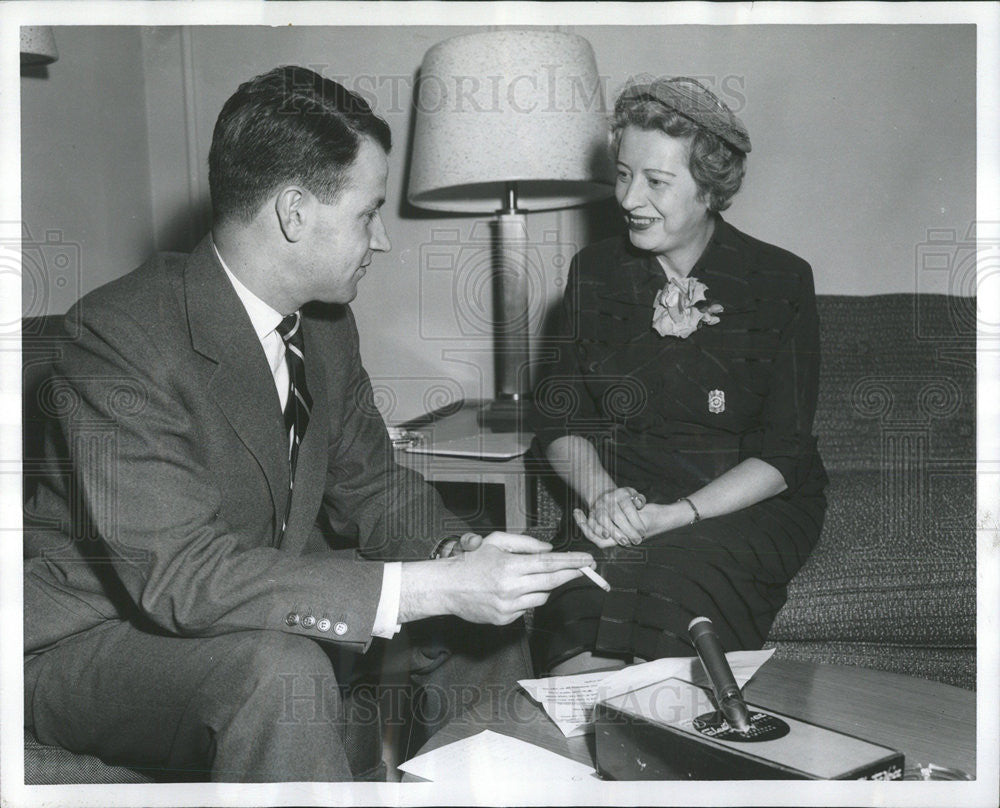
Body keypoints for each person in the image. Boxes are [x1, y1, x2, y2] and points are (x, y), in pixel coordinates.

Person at [22, 66, 595, 782]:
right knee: (274, 671)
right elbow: (180, 577)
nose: (381, 240)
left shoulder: (323, 327)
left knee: (479, 622)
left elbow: (374, 485)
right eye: (368, 213)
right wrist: (434, 586)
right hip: (86, 639)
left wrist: (454, 549)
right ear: (295, 212)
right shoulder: (116, 339)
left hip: (243, 595)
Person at [530, 76, 827, 676]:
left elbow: (783, 455)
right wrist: (603, 495)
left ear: (710, 191)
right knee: (577, 626)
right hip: (622, 490)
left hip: (739, 501)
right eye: (621, 173)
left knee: (676, 604)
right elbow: (559, 419)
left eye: (657, 182)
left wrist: (675, 515)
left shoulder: (780, 281)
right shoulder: (594, 273)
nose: (628, 199)